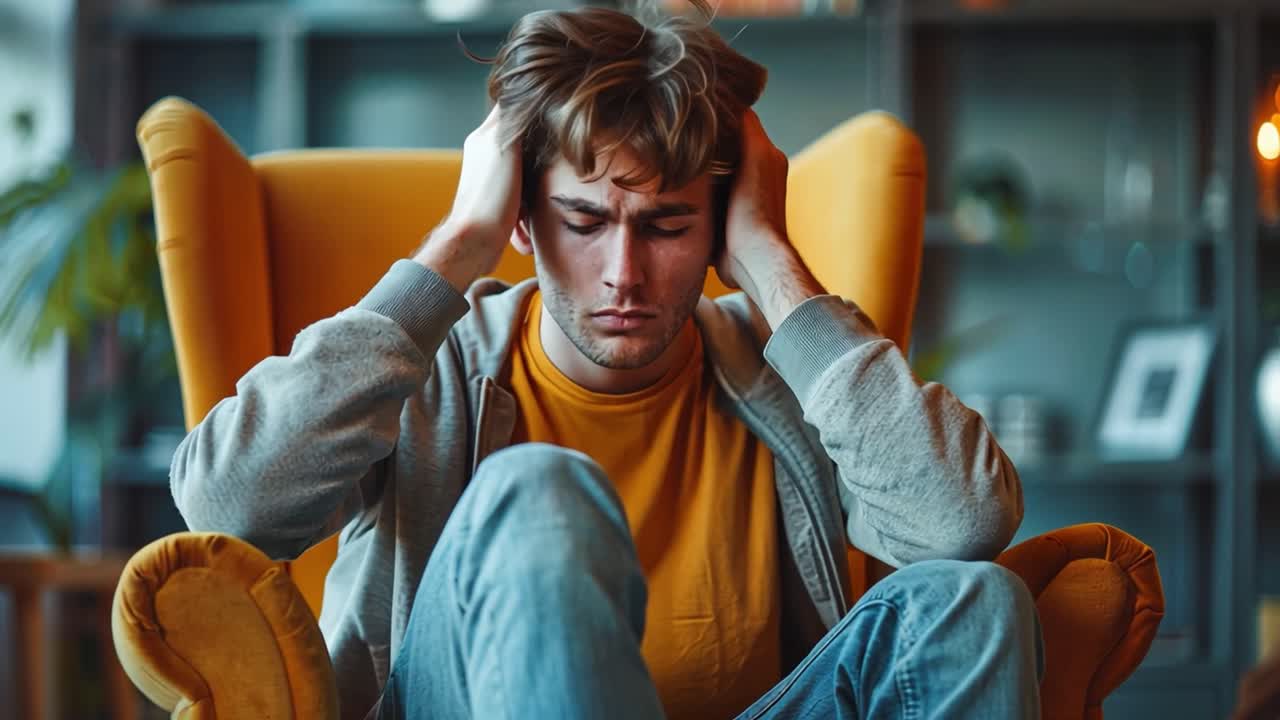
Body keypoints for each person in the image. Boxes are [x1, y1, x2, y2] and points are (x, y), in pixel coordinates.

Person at [169, 2, 1042, 718]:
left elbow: (962, 525)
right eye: (583, 222)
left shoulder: (786, 373)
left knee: (977, 602)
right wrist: (456, 248)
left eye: (667, 226)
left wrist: (776, 268)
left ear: (718, 228)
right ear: (522, 217)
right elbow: (231, 501)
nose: (623, 274)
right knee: (539, 490)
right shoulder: (425, 364)